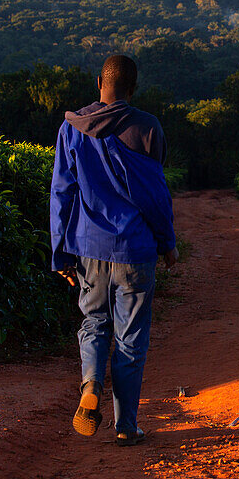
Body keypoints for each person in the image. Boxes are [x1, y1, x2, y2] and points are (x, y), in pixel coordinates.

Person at [50, 54, 178, 444]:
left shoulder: (71, 129)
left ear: (98, 83)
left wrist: (60, 252)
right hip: (135, 250)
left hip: (88, 247)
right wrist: (167, 244)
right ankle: (126, 426)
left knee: (94, 323)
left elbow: (62, 192)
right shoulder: (147, 128)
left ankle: (90, 385)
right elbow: (154, 196)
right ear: (133, 88)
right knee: (131, 338)